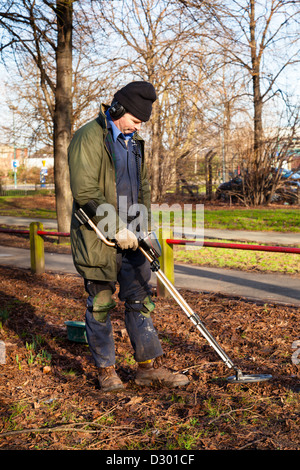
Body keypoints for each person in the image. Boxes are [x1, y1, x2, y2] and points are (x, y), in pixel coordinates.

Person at [68, 81, 189, 392]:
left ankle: (147, 367)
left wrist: (142, 226)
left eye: (141, 124)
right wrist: (115, 226)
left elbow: (143, 188)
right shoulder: (89, 138)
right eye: (135, 121)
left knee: (139, 300)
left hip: (133, 238)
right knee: (101, 305)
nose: (137, 128)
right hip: (99, 237)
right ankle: (106, 370)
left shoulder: (133, 143)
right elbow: (85, 191)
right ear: (118, 109)